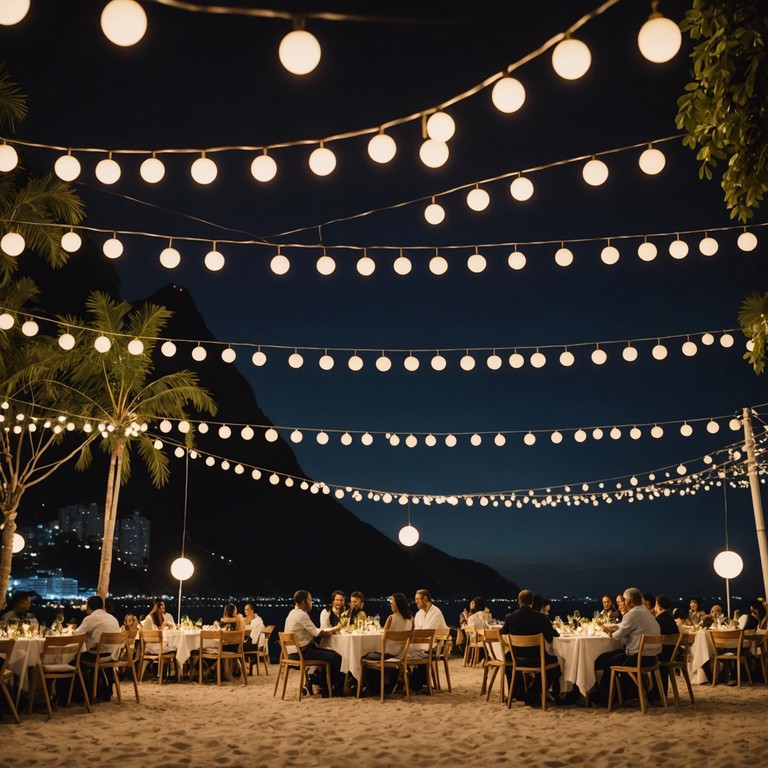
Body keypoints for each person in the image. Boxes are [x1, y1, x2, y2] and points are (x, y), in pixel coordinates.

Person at [593, 587, 661, 706]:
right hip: (652, 657)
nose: (623, 602)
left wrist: (608, 631)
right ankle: (622, 695)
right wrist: (616, 629)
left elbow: (617, 636)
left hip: (638, 658)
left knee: (603, 660)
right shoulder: (646, 612)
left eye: (624, 600)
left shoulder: (632, 614)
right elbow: (629, 629)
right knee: (611, 657)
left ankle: (605, 698)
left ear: (629, 601)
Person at [501, 589, 565, 705]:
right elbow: (551, 637)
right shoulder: (541, 617)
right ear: (532, 602)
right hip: (537, 659)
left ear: (518, 601)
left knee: (507, 660)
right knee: (556, 666)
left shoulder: (510, 617)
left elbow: (503, 633)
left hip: (518, 658)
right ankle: (535, 691)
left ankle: (517, 693)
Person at [284, 590, 343, 696]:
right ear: (303, 602)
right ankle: (334, 689)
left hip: (291, 653)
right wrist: (337, 628)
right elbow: (317, 633)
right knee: (336, 656)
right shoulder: (302, 615)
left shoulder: (292, 613)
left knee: (328, 654)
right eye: (310, 600)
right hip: (301, 652)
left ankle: (323, 686)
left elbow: (313, 631)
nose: (312, 602)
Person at [362, 593, 414, 695]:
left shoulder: (391, 618)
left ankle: (371, 688)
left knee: (365, 656)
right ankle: (381, 686)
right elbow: (411, 637)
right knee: (372, 655)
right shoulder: (411, 619)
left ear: (397, 605)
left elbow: (383, 637)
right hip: (401, 653)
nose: (391, 605)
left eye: (392, 603)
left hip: (388, 653)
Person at [77, 595, 121, 701]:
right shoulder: (113, 618)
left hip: (98, 656)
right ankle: (105, 691)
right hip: (113, 655)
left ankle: (85, 693)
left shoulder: (91, 618)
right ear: (102, 606)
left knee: (76, 659)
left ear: (89, 607)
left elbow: (77, 634)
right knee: (95, 653)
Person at [410, 589, 448, 692]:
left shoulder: (436, 613)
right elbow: (418, 632)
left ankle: (413, 681)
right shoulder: (419, 614)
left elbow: (427, 633)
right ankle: (409, 679)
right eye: (415, 599)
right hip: (424, 643)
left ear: (425, 599)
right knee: (404, 649)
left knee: (406, 650)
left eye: (418, 599)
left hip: (436, 646)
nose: (416, 601)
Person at [652, 593, 678, 700]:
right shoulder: (671, 619)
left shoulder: (658, 620)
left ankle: (654, 694)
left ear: (657, 605)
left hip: (661, 655)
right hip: (671, 654)